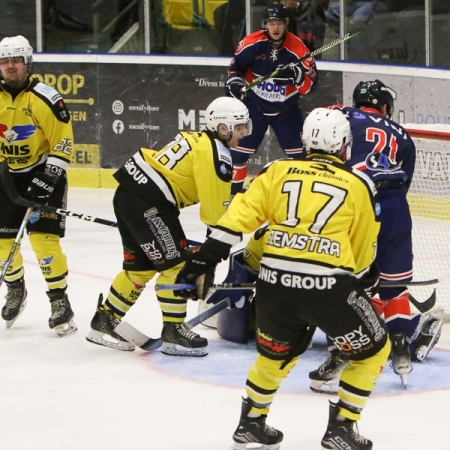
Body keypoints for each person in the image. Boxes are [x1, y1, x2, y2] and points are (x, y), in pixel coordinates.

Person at [174, 107, 391, 449]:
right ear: (344, 145)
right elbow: (363, 251)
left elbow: (238, 217)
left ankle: (252, 423)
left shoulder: (276, 171)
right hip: (328, 286)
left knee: (274, 355)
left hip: (274, 283)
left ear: (304, 140)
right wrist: (364, 277)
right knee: (374, 350)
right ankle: (342, 428)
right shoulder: (357, 183)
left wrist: (205, 258)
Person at [85, 96, 251, 356]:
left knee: (140, 269)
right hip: (150, 205)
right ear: (222, 128)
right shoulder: (216, 153)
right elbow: (215, 215)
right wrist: (211, 253)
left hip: (129, 195)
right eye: (239, 127)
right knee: (177, 266)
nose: (243, 133)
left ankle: (105, 320)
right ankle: (174, 331)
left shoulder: (197, 139)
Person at [308, 79, 443, 391]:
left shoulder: (339, 114)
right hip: (395, 205)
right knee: (393, 286)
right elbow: (403, 182)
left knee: (347, 283)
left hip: (355, 201)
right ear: (385, 106)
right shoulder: (402, 134)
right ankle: (401, 348)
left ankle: (342, 352)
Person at [0, 35, 76, 336]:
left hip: (44, 174)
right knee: (4, 243)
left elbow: (64, 143)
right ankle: (15, 289)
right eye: (5, 61)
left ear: (27, 62)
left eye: (16, 60)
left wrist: (47, 179)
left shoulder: (46, 98)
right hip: (6, 178)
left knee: (44, 242)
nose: (10, 66)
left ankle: (60, 301)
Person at [225, 1, 318, 195]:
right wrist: (234, 84)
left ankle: (302, 199)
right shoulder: (251, 43)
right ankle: (231, 196)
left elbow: (311, 86)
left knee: (301, 160)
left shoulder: (298, 50)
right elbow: (235, 69)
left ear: (286, 24)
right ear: (265, 25)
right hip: (254, 107)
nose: (275, 28)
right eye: (271, 23)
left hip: (286, 111)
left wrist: (298, 77)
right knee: (237, 156)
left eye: (279, 23)